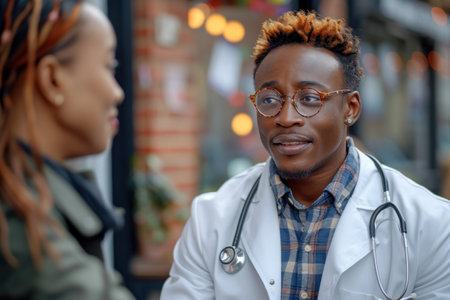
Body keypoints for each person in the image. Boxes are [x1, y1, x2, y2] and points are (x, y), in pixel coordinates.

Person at [160, 10, 450, 300]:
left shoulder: (431, 225)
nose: (286, 118)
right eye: (270, 99)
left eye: (310, 99)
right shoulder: (210, 219)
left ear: (351, 108)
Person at [0, 0, 134, 299]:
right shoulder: (17, 219)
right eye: (109, 66)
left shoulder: (31, 195)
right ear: (52, 79)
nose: (118, 92)